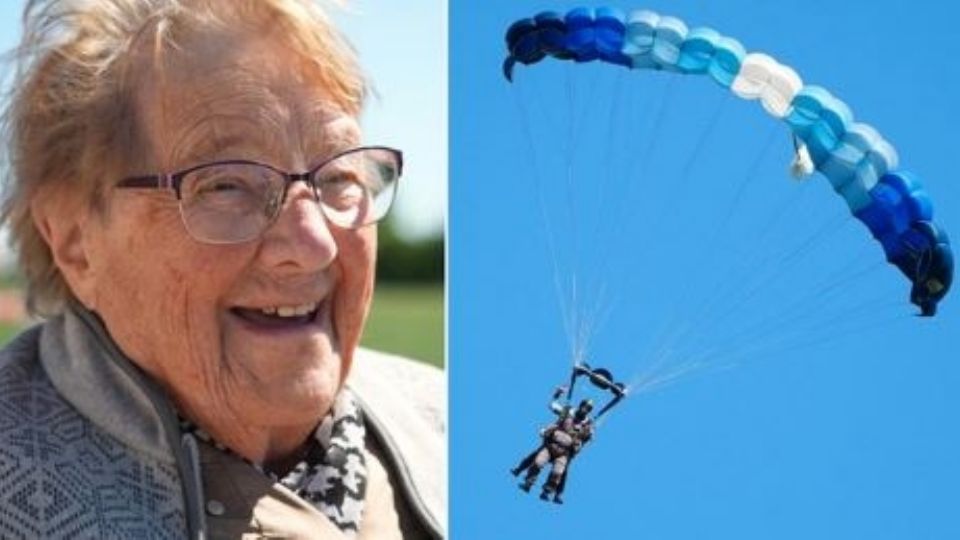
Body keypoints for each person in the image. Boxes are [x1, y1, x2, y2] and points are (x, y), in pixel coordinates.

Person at [0, 1, 444, 538]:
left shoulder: (450, 422)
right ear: (74, 241)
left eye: (339, 176)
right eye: (226, 184)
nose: (312, 244)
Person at [512, 395, 594, 504]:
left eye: (588, 408)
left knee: (558, 472)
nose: (585, 409)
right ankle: (528, 481)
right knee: (537, 462)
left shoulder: (586, 426)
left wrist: (586, 436)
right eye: (584, 406)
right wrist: (557, 396)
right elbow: (553, 406)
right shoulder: (567, 413)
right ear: (580, 405)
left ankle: (548, 491)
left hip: (564, 453)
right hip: (550, 446)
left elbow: (586, 440)